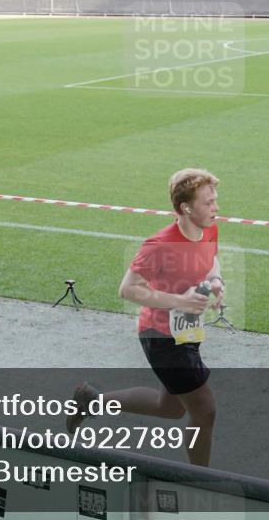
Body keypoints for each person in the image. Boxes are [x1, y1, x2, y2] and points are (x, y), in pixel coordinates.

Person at [67, 168, 224, 467]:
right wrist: (181, 301)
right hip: (161, 337)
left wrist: (217, 282)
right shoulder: (159, 245)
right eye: (208, 202)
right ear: (185, 208)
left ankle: (92, 401)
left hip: (187, 331)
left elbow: (212, 259)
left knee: (171, 406)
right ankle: (200, 479)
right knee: (205, 409)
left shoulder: (210, 228)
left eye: (215, 200)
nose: (216, 207)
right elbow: (127, 289)